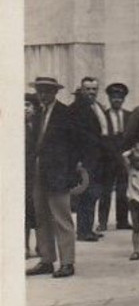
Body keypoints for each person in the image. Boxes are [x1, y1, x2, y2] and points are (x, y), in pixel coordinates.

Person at [27, 76, 79, 279]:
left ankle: (67, 262)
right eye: (40, 90)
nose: (43, 94)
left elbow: (75, 145)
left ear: (55, 92)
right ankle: (47, 260)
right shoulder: (37, 113)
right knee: (41, 217)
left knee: (62, 218)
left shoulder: (66, 113)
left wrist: (70, 172)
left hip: (58, 172)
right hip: (38, 171)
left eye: (48, 91)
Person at [70, 76, 112, 241]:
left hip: (99, 158)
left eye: (94, 89)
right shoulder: (76, 109)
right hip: (85, 159)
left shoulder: (97, 107)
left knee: (94, 194)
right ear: (81, 90)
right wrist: (77, 161)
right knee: (85, 195)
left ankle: (89, 228)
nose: (91, 92)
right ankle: (83, 231)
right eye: (88, 89)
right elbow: (75, 137)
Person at [98, 82, 132, 232]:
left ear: (124, 99)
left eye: (120, 97)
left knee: (123, 190)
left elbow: (132, 137)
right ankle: (103, 222)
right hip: (108, 159)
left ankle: (122, 221)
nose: (117, 100)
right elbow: (101, 139)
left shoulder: (129, 116)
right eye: (114, 97)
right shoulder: (102, 116)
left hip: (124, 159)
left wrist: (128, 153)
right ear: (109, 98)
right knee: (105, 191)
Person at [25, 92, 40, 258]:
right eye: (23, 105)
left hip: (36, 175)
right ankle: (24, 246)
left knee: (38, 212)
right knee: (24, 214)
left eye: (29, 105)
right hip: (22, 176)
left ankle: (40, 246)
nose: (25, 109)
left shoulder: (38, 126)